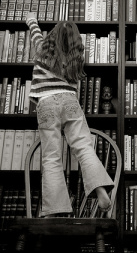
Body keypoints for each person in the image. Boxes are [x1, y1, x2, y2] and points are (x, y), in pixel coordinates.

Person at [25, 12, 114, 217]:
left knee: (51, 157)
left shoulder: (41, 49)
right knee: (84, 147)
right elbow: (74, 86)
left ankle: (56, 209)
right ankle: (100, 189)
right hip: (69, 101)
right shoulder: (75, 61)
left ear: (53, 37)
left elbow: (36, 34)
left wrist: (32, 20)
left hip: (46, 102)